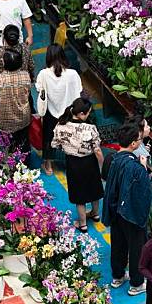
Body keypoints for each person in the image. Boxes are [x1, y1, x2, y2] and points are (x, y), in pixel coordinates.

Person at [102, 124, 152, 296]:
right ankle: (136, 283)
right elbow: (143, 190)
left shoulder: (113, 158)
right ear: (133, 144)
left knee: (118, 243)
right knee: (136, 248)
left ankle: (118, 276)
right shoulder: (134, 166)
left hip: (115, 209)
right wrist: (144, 167)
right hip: (131, 213)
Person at [51, 98, 104, 232]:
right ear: (81, 114)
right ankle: (95, 214)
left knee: (79, 194)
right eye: (88, 113)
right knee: (94, 188)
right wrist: (102, 164)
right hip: (89, 162)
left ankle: (83, 224)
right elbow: (97, 150)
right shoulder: (90, 128)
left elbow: (55, 144)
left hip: (73, 163)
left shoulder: (60, 125)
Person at [35, 44, 83, 176]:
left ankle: (48, 164)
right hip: (68, 113)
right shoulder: (72, 74)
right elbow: (78, 91)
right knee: (70, 137)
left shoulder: (43, 74)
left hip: (51, 113)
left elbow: (40, 90)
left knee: (49, 137)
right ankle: (70, 163)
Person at [0, 49, 31, 154]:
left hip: (4, 120)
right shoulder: (26, 75)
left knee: (6, 146)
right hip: (23, 118)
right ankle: (24, 164)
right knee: (23, 143)